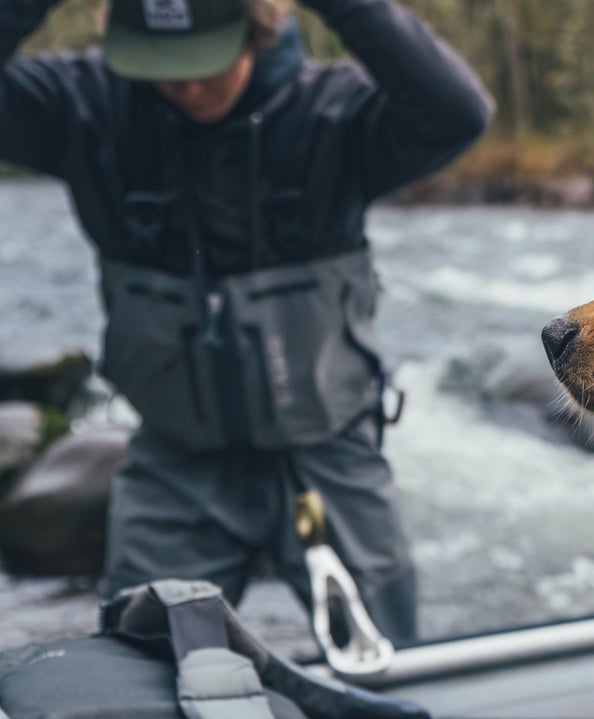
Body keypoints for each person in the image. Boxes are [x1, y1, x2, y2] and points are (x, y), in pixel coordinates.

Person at [0, 0, 494, 644]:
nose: (186, 85)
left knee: (383, 657)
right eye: (163, 64)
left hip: (329, 455)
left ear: (257, 29)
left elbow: (459, 113)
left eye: (205, 61)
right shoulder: (82, 108)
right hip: (175, 464)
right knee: (136, 661)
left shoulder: (333, 111)